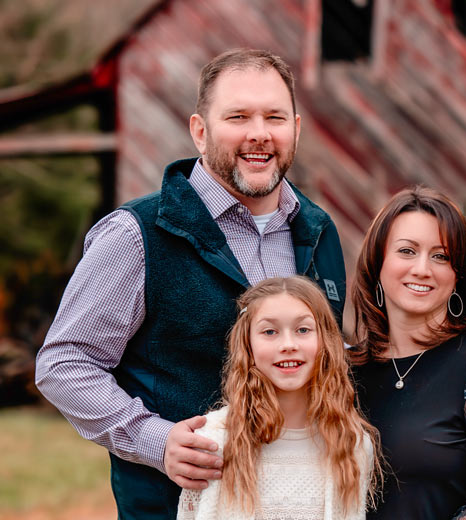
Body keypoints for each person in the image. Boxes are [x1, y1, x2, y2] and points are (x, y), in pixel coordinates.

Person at [34, 49, 348, 519]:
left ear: (296, 130)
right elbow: (64, 361)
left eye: (275, 117)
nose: (259, 133)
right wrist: (155, 440)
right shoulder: (136, 234)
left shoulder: (319, 231)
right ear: (200, 131)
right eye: (238, 117)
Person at [349, 187, 466, 519]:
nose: (422, 269)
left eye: (441, 256)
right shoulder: (347, 370)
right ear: (377, 263)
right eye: (407, 251)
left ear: (457, 275)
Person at [177, 276, 376, 520]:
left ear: (325, 341)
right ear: (248, 344)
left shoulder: (352, 444)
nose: (288, 345)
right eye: (270, 331)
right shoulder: (213, 441)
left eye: (303, 330)